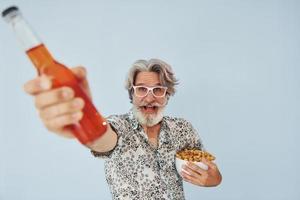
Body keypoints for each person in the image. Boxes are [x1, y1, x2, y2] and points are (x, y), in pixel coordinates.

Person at [23, 58, 222, 199]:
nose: (150, 97)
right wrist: (86, 121)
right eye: (141, 89)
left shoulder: (183, 129)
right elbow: (102, 139)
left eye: (158, 89)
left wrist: (214, 179)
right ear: (132, 94)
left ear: (167, 94)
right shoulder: (119, 126)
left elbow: (209, 170)